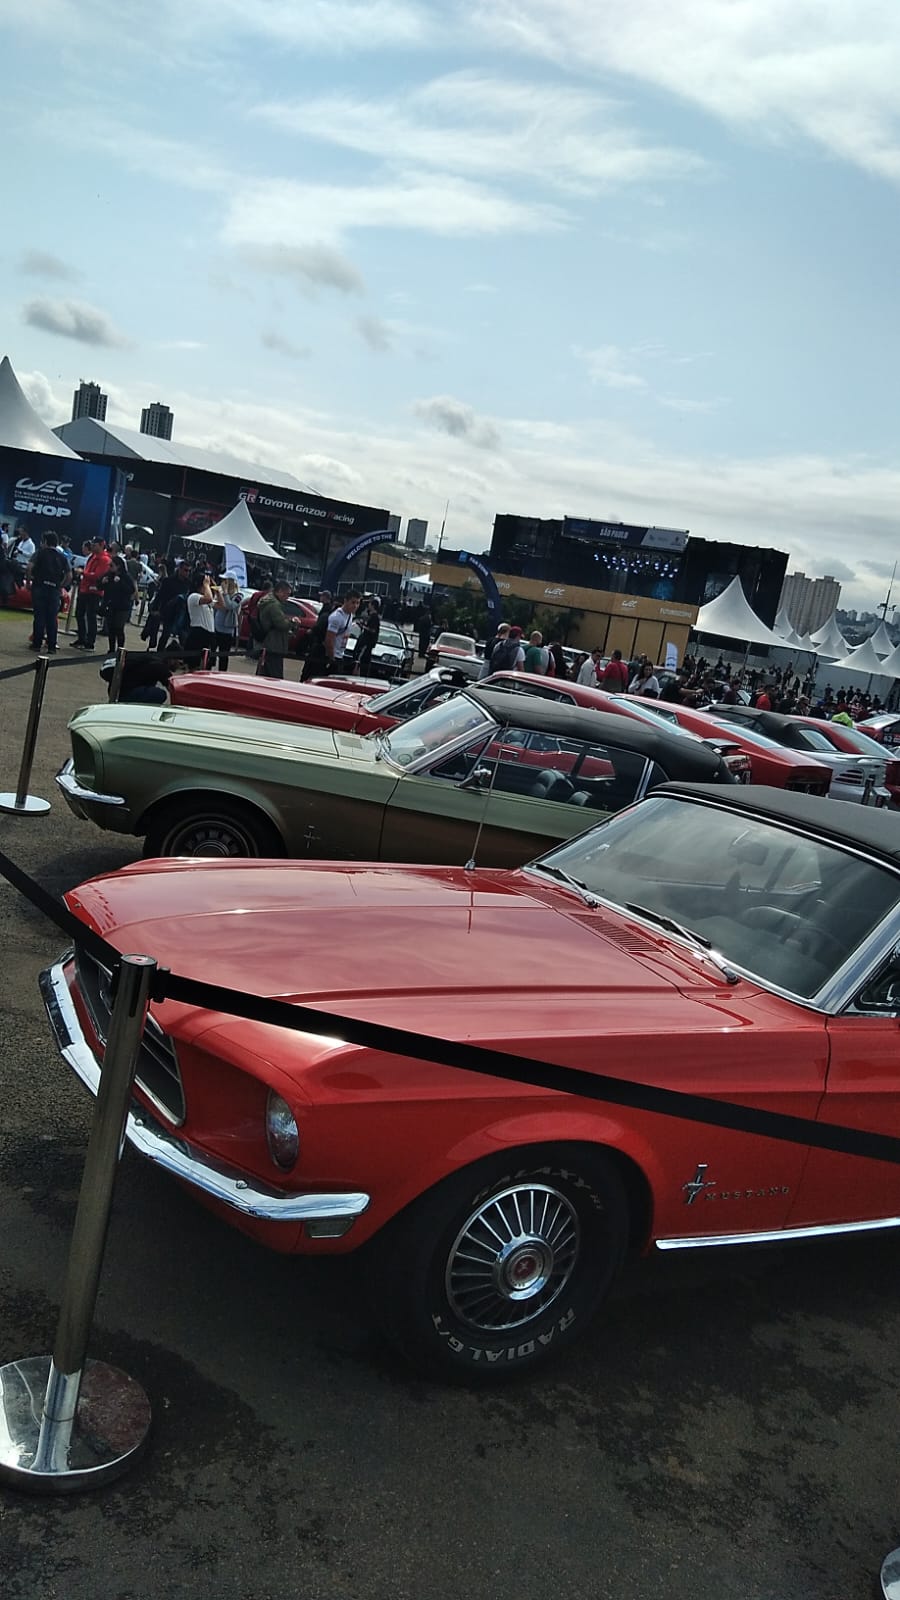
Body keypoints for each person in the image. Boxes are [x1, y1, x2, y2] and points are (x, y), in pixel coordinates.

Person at [27, 532, 71, 654]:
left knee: (39, 616)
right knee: (52, 618)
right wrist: (61, 586)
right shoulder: (62, 556)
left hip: (39, 587)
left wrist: (29, 581)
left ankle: (36, 644)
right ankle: (51, 646)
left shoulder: (39, 553)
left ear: (45, 541)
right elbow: (69, 575)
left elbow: (29, 567)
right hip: (54, 590)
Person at [72, 538, 111, 650]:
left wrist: (83, 573)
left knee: (91, 616)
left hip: (94, 591)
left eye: (94, 545)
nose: (92, 547)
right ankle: (82, 638)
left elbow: (97, 576)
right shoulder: (93, 557)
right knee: (80, 614)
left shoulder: (104, 559)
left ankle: (90, 642)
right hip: (85, 589)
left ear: (100, 545)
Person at [100, 554, 137, 655]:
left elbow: (131, 590)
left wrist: (120, 583)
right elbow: (100, 585)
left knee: (119, 628)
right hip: (111, 605)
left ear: (118, 566)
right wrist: (102, 582)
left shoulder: (125, 577)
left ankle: (120, 650)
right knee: (111, 628)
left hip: (122, 606)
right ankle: (111, 649)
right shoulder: (109, 575)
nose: (110, 568)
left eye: (112, 565)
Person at [256, 580, 293, 678]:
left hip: (267, 642)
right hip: (275, 644)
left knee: (264, 674)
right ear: (280, 591)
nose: (287, 598)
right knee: (275, 677)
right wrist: (292, 622)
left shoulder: (266, 601)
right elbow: (282, 624)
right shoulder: (274, 605)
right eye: (287, 594)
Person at [184, 573, 218, 665]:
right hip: (198, 633)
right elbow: (209, 599)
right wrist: (206, 585)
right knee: (194, 664)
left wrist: (217, 589)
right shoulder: (193, 596)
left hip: (209, 634)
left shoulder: (206, 599)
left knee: (207, 665)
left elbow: (222, 605)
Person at [158, 560, 192, 649]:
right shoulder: (168, 581)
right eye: (185, 570)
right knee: (165, 636)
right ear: (179, 569)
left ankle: (182, 658)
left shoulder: (189, 583)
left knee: (183, 639)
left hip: (182, 615)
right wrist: (157, 609)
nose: (187, 573)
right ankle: (159, 656)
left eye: (188, 571)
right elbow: (160, 596)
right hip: (170, 613)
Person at [301, 589, 333, 681]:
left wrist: (312, 631)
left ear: (326, 598)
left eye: (322, 596)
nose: (320, 597)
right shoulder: (326, 608)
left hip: (319, 642)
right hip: (318, 641)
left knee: (311, 666)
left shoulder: (327, 610)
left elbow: (321, 625)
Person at [325, 592, 361, 674]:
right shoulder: (337, 617)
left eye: (357, 603)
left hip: (340, 655)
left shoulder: (350, 616)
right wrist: (332, 658)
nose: (355, 606)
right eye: (353, 602)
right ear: (345, 601)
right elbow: (329, 639)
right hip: (333, 656)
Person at [213, 575, 242, 670]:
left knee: (223, 655)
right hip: (216, 627)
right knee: (211, 652)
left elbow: (230, 606)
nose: (223, 583)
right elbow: (216, 605)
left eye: (225, 581)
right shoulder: (221, 592)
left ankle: (221, 673)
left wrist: (225, 593)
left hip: (227, 630)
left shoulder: (238, 596)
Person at [354, 597, 382, 676]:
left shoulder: (374, 617)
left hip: (367, 642)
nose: (368, 605)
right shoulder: (371, 616)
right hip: (366, 641)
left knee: (362, 660)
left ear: (373, 606)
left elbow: (373, 630)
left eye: (370, 604)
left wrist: (363, 626)